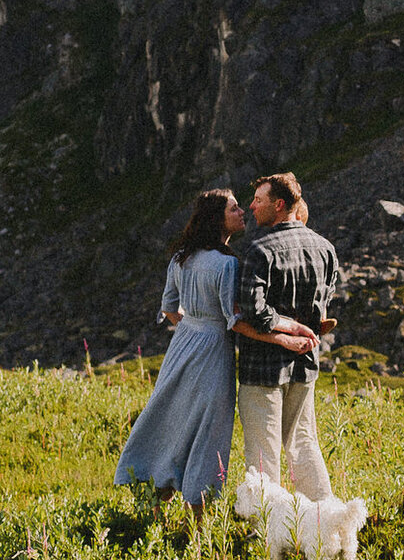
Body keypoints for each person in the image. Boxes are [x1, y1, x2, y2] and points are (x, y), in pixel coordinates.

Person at [113, 188, 316, 509]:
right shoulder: (226, 265)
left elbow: (169, 308)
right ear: (217, 220)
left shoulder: (181, 258)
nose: (243, 212)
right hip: (213, 354)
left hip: (182, 347)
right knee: (210, 430)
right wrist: (286, 338)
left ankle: (153, 497)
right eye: (234, 209)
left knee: (172, 420)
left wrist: (193, 329)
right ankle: (198, 517)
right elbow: (235, 321)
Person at [235, 171, 343, 498]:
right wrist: (301, 329)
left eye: (259, 200)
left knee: (262, 454)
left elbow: (253, 311)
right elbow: (322, 308)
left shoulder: (260, 250)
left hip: (261, 367)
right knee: (304, 444)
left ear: (279, 204)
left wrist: (286, 327)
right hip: (305, 363)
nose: (251, 206)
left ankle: (267, 533)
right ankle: (325, 520)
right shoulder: (325, 249)